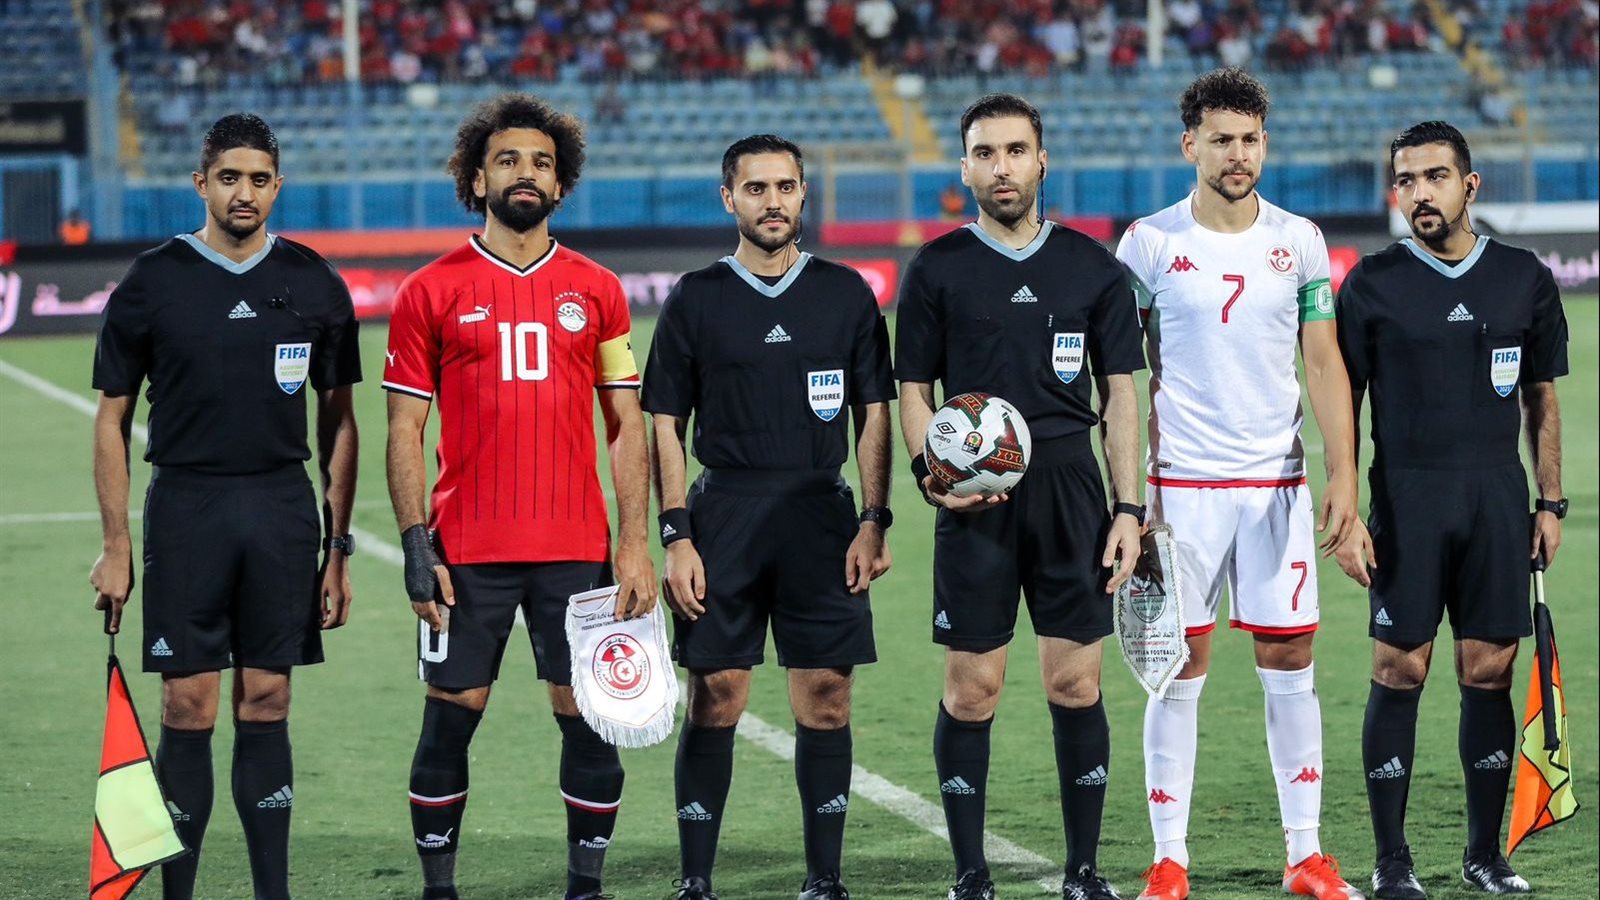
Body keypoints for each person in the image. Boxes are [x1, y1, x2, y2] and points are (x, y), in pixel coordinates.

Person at [382, 93, 657, 900]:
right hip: (466, 552)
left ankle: (585, 888)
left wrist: (633, 543)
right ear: (477, 178)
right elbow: (404, 429)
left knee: (589, 720)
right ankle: (440, 890)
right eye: (507, 160)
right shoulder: (427, 290)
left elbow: (625, 425)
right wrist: (414, 543)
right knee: (449, 718)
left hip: (576, 553)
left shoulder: (598, 289)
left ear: (560, 183)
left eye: (541, 162)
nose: (525, 173)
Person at [88, 113, 361, 900]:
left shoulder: (314, 282)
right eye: (230, 178)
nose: (245, 193)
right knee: (188, 701)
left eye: (260, 179)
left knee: (268, 696)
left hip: (280, 508)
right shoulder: (153, 280)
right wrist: (116, 546)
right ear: (201, 183)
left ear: (278, 186)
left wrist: (338, 549)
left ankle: (272, 891)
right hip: (187, 506)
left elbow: (340, 420)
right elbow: (110, 418)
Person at [1115, 68, 1366, 900]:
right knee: (1177, 665)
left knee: (1290, 657)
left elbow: (1323, 362)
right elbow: (1118, 374)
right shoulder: (1148, 243)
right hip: (1179, 489)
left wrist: (1343, 474)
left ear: (1266, 143)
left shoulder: (1300, 240)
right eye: (1221, 139)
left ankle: (1306, 855)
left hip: (1278, 486)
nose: (1237, 154)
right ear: (1189, 144)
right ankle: (1169, 860)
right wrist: (1125, 498)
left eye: (1250, 139)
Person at [895, 93, 1145, 900]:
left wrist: (1129, 509)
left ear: (1041, 160)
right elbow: (913, 390)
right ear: (965, 169)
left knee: (1076, 685)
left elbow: (1121, 394)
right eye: (984, 153)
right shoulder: (936, 268)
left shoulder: (1092, 267)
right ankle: (970, 872)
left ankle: (1084, 870)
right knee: (973, 689)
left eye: (1014, 151)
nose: (1001, 167)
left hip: (1072, 490)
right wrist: (932, 475)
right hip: (975, 497)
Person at [644, 134, 895, 900]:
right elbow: (664, 423)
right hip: (724, 514)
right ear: (729, 198)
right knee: (716, 693)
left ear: (803, 193)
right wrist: (676, 532)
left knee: (826, 696)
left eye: (785, 186)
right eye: (756, 189)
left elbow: (874, 413)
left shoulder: (845, 293)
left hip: (822, 515)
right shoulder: (695, 296)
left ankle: (824, 878)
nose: (773, 201)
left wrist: (874, 518)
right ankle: (696, 879)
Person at [1335, 121, 1568, 900]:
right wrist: (1348, 507)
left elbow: (1541, 397)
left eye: (1435, 176)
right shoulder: (1371, 283)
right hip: (1406, 499)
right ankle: (1391, 859)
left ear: (1470, 185)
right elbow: (1344, 404)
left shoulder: (1523, 277)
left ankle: (1483, 855)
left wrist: (1550, 502)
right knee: (1398, 668)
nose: (1419, 193)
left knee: (1489, 670)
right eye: (1406, 180)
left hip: (1497, 498)